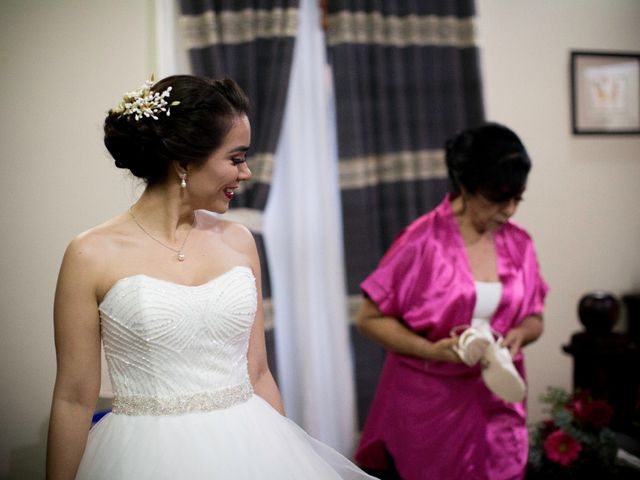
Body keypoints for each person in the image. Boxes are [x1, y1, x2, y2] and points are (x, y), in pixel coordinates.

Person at [46, 75, 376, 480]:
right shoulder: (90, 253)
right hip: (144, 457)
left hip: (252, 445)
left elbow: (258, 373)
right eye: (236, 158)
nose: (248, 172)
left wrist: (288, 457)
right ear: (184, 163)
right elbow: (74, 398)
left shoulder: (239, 241)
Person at [354, 123, 548, 480]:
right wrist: (430, 351)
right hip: (428, 410)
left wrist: (522, 333)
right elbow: (369, 318)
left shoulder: (519, 243)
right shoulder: (421, 241)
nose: (509, 211)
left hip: (497, 404)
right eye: (498, 199)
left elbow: (535, 317)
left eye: (517, 198)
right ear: (466, 187)